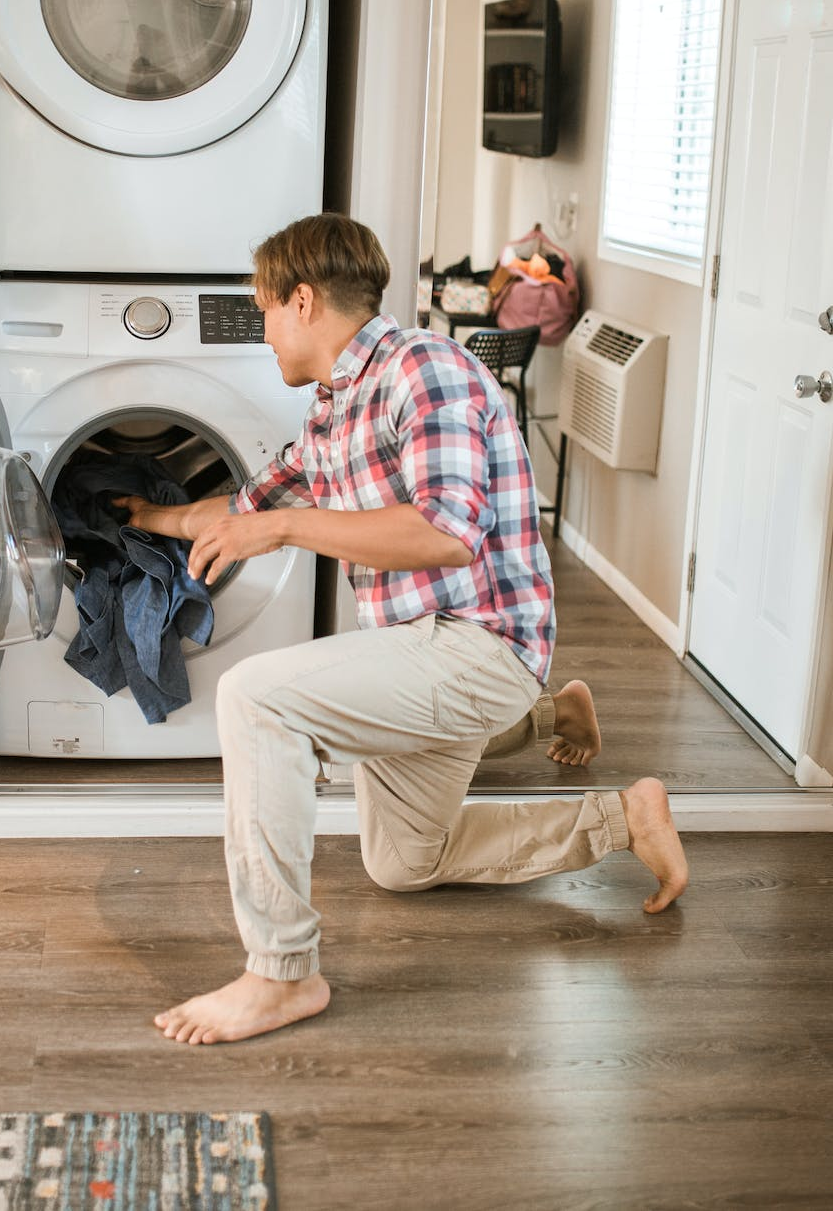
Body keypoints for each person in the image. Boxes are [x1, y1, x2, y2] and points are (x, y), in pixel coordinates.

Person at [116, 213, 688, 1047]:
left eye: (265, 310)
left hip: (475, 644)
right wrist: (149, 516)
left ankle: (281, 974)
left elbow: (446, 532)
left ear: (302, 301)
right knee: (402, 862)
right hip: (422, 652)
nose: (262, 329)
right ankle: (612, 809)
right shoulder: (330, 410)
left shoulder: (426, 370)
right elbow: (243, 508)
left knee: (257, 699)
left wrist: (283, 529)